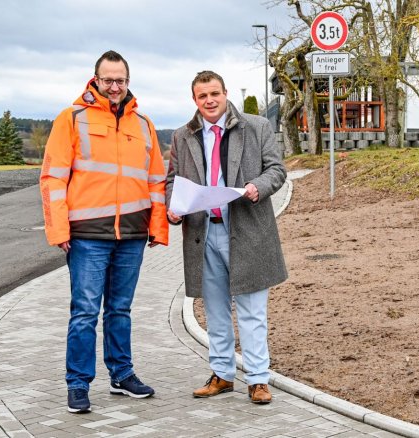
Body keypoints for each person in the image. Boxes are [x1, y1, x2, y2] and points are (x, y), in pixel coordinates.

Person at [39, 50, 169, 413]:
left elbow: (157, 181)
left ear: (129, 82)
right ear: (95, 79)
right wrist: (58, 228)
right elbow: (52, 178)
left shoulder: (143, 124)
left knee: (120, 310)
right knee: (84, 312)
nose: (114, 86)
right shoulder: (72, 118)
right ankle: (78, 384)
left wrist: (157, 227)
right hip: (86, 236)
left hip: (130, 235)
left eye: (121, 80)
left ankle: (122, 375)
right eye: (108, 80)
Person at [165, 70, 287, 404]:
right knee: (215, 311)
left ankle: (259, 379)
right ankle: (222, 374)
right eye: (202, 96)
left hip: (247, 231)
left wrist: (256, 187)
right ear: (195, 100)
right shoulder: (182, 136)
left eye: (214, 93)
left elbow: (276, 171)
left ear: (225, 93)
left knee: (252, 311)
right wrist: (172, 206)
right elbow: (172, 181)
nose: (210, 101)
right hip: (203, 236)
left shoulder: (256, 126)